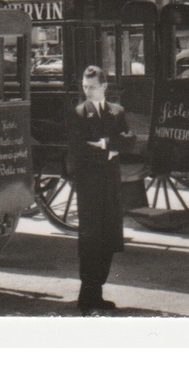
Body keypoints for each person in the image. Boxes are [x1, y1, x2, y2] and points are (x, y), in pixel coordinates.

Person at [68, 65, 133, 314]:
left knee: (109, 238)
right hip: (89, 187)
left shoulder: (117, 113)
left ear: (104, 87)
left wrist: (105, 143)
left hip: (110, 186)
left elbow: (129, 140)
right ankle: (87, 296)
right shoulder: (78, 114)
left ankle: (98, 293)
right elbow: (78, 150)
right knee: (90, 240)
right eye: (84, 86)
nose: (87, 91)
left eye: (92, 87)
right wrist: (110, 150)